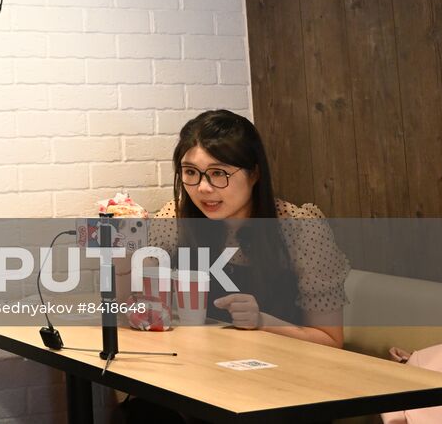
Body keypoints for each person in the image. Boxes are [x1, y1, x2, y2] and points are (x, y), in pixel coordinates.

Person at [144, 108, 349, 347]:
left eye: (218, 173)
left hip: (281, 361)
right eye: (190, 172)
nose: (203, 188)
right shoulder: (176, 218)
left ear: (254, 174)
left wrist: (262, 321)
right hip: (200, 358)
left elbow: (331, 340)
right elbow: (138, 296)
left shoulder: (301, 230)